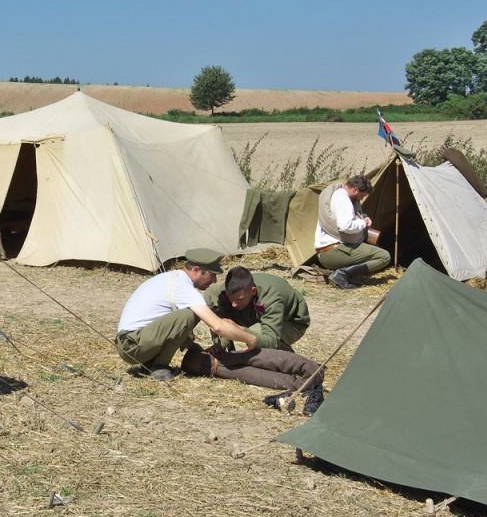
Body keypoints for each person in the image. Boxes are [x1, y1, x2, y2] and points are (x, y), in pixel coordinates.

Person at [180, 266, 325, 415]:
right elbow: (224, 316)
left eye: (239, 299)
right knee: (213, 299)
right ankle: (232, 354)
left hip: (290, 323)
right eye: (231, 299)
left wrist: (242, 332)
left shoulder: (272, 296)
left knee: (258, 333)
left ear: (253, 291)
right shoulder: (227, 293)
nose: (234, 304)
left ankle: (287, 358)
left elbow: (271, 338)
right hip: (252, 315)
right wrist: (221, 345)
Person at [116, 248, 257, 381]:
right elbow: (217, 326)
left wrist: (193, 346)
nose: (214, 280)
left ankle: (151, 363)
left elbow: (167, 326)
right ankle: (159, 366)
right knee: (189, 316)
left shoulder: (172, 278)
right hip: (132, 345)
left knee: (186, 315)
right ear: (196, 270)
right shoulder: (182, 286)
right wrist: (250, 338)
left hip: (132, 342)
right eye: (212, 274)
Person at [315, 174, 390, 289]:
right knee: (384, 256)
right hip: (333, 251)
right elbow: (346, 226)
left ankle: (345, 273)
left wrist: (363, 216)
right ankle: (341, 275)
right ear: (355, 189)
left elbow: (346, 216)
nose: (361, 199)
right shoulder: (343, 199)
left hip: (330, 250)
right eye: (362, 195)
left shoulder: (338, 195)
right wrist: (363, 223)